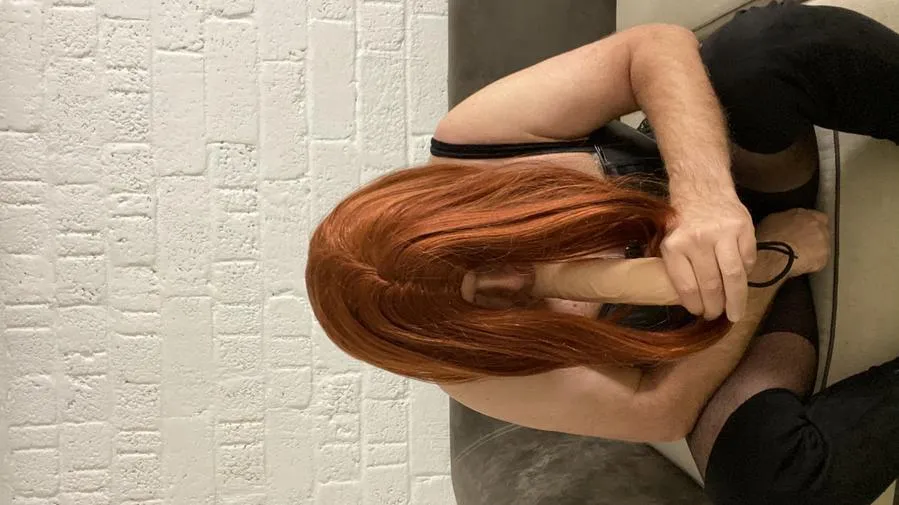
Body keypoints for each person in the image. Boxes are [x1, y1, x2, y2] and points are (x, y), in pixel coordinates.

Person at [307, 2, 899, 504]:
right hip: (748, 322)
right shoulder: (473, 373)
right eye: (478, 308)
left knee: (760, 49)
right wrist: (766, 266)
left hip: (740, 169)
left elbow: (652, 50)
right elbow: (656, 409)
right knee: (764, 486)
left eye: (481, 262)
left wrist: (704, 195)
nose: (507, 287)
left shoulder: (477, 140)